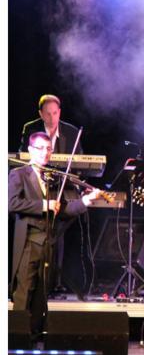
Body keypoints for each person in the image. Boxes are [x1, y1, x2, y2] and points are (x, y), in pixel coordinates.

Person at [9, 132, 100, 335]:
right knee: (24, 291)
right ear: (30, 150)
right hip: (29, 242)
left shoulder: (52, 178)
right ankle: (16, 339)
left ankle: (35, 337)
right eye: (40, 148)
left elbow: (63, 210)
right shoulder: (19, 174)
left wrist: (86, 201)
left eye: (49, 149)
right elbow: (11, 203)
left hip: (49, 243)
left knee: (42, 293)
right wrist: (44, 205)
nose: (45, 153)